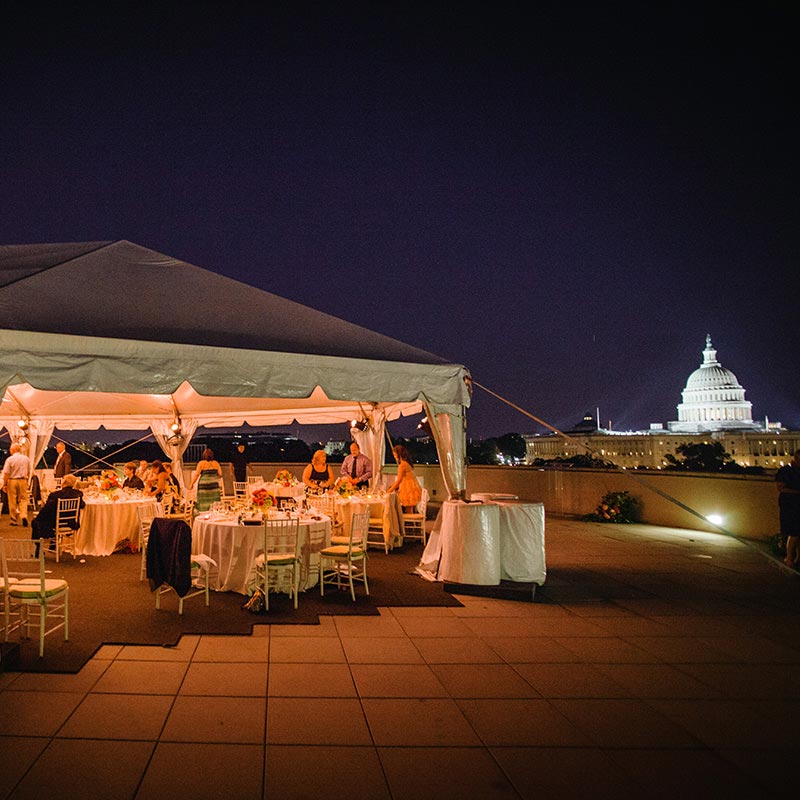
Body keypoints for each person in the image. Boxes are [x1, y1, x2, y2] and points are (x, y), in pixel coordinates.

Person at [31, 473, 85, 545]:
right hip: (71, 523)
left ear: (64, 482)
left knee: (35, 522)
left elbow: (46, 510)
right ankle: (52, 545)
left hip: (56, 523)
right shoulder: (78, 494)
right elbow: (82, 505)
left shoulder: (55, 495)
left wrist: (38, 516)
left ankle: (38, 547)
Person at [776, 449, 800, 569]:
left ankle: (796, 558)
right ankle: (790, 558)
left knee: (797, 533)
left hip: (794, 504)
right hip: (790, 505)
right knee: (794, 532)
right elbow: (780, 488)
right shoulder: (786, 471)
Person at [1, 442, 31, 527]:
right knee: (24, 499)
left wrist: (5, 484)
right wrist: (27, 481)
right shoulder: (26, 459)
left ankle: (13, 519)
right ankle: (24, 515)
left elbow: (6, 473)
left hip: (12, 480)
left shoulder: (9, 460)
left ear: (13, 450)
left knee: (12, 500)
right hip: (23, 480)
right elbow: (29, 471)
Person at [387, 444, 422, 512]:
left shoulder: (402, 465)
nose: (394, 457)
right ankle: (411, 522)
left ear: (399, 454)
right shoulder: (406, 463)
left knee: (407, 509)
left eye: (394, 455)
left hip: (408, 488)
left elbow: (399, 480)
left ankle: (409, 522)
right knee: (409, 509)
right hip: (411, 486)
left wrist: (390, 490)